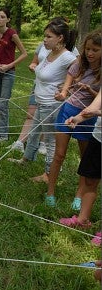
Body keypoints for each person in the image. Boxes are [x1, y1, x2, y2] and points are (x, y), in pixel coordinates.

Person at [7, 19, 77, 201]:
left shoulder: (68, 57)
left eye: (49, 37)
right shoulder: (50, 54)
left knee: (51, 140)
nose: (44, 40)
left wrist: (67, 87)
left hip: (52, 105)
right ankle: (26, 158)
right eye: (44, 36)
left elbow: (82, 74)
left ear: (60, 38)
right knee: (35, 131)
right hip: (41, 102)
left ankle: (48, 174)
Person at [44, 29, 101, 208]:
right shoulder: (78, 64)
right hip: (68, 111)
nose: (90, 53)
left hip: (88, 117)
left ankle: (79, 195)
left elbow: (98, 100)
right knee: (59, 154)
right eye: (88, 49)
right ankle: (50, 192)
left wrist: (90, 90)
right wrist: (62, 94)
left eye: (95, 50)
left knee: (85, 159)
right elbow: (66, 88)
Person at [59, 88, 101, 247]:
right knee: (90, 181)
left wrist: (97, 112)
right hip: (98, 137)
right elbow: (94, 107)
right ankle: (83, 219)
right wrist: (77, 118)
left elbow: (96, 110)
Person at [0, 7, 27, 143]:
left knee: (3, 104)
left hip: (8, 73)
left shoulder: (12, 34)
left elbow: (24, 54)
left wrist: (9, 66)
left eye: (2, 17)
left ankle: (3, 136)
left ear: (8, 20)